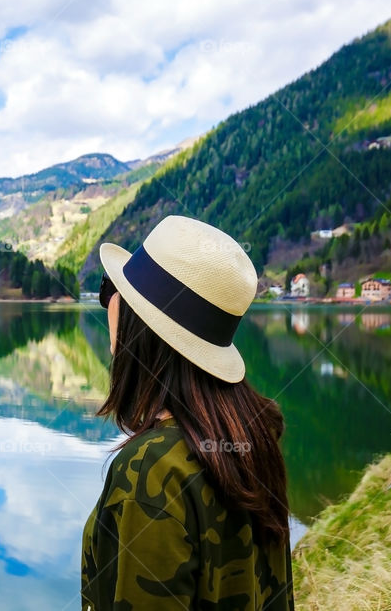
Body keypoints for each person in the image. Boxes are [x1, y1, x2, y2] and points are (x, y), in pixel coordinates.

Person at [81, 215, 294, 611]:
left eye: (114, 293)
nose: (109, 306)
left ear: (140, 325)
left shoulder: (151, 470)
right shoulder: (253, 438)